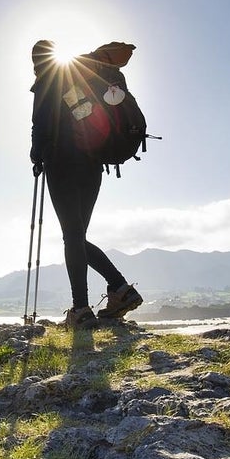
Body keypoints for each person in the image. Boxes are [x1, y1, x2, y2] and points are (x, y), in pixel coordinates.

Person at [29, 39, 144, 328]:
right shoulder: (85, 75)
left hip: (62, 163)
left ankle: (81, 309)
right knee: (76, 236)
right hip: (93, 164)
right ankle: (120, 290)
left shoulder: (46, 80)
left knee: (73, 236)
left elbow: (40, 125)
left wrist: (36, 156)